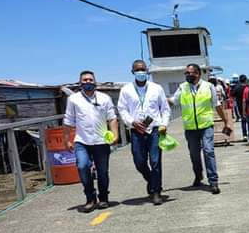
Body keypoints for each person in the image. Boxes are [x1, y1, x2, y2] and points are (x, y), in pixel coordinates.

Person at [168, 63, 232, 194]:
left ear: (197, 74)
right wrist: (158, 99)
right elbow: (173, 101)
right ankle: (198, 175)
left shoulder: (209, 87)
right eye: (186, 73)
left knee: (208, 151)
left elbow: (217, 105)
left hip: (206, 126)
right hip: (190, 127)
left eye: (189, 73)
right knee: (194, 154)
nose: (187, 75)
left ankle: (213, 181)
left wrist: (226, 121)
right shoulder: (182, 87)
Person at [117, 60, 171, 205]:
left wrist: (164, 124)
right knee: (139, 162)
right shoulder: (126, 90)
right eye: (137, 70)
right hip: (136, 131)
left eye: (143, 69)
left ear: (147, 71)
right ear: (132, 72)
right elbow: (122, 109)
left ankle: (156, 191)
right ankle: (151, 180)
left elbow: (165, 108)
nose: (140, 72)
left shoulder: (156, 88)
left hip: (154, 129)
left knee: (155, 161)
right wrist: (131, 121)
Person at [63, 70, 119, 211]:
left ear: (95, 81)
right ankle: (90, 197)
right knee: (82, 166)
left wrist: (115, 135)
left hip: (101, 141)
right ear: (80, 82)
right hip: (82, 141)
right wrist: (67, 140)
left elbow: (112, 118)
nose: (88, 82)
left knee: (102, 172)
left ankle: (103, 198)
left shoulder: (104, 98)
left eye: (90, 79)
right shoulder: (73, 99)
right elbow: (68, 121)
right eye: (85, 80)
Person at [232, 74, 248, 141]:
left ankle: (245, 135)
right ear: (246, 80)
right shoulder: (248, 87)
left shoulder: (237, 87)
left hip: (240, 105)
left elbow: (232, 95)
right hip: (248, 105)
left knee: (243, 120)